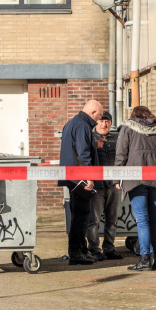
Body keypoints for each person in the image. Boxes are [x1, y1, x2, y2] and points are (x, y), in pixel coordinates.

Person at [115, 106, 156, 271]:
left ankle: (145, 258)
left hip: (135, 179)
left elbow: (121, 154)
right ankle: (155, 257)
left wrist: (116, 178)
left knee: (142, 220)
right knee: (155, 219)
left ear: (133, 115)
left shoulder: (128, 128)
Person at [58, 100, 103, 265]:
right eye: (98, 116)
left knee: (79, 215)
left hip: (72, 177)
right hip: (79, 178)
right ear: (92, 113)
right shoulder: (83, 126)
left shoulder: (72, 123)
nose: (98, 120)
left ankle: (81, 250)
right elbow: (83, 153)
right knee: (80, 216)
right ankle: (77, 253)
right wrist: (89, 176)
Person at [85, 111, 124, 261]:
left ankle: (109, 248)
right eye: (101, 121)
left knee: (112, 220)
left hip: (114, 186)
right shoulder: (90, 138)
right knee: (93, 220)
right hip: (97, 186)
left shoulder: (117, 139)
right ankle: (94, 249)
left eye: (107, 121)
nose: (104, 124)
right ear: (96, 123)